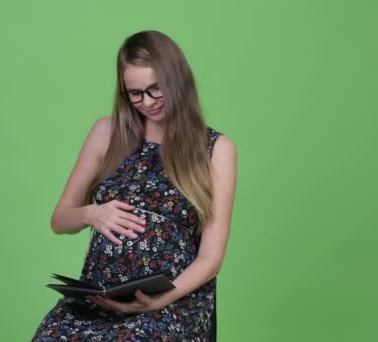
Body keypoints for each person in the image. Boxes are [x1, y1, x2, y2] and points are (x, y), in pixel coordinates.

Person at [32, 30, 237, 341]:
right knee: (49, 336)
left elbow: (212, 257)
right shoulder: (106, 133)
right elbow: (60, 219)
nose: (148, 102)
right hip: (101, 299)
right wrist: (92, 214)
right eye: (136, 93)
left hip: (172, 302)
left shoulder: (215, 149)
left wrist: (160, 300)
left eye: (157, 89)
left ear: (177, 81)